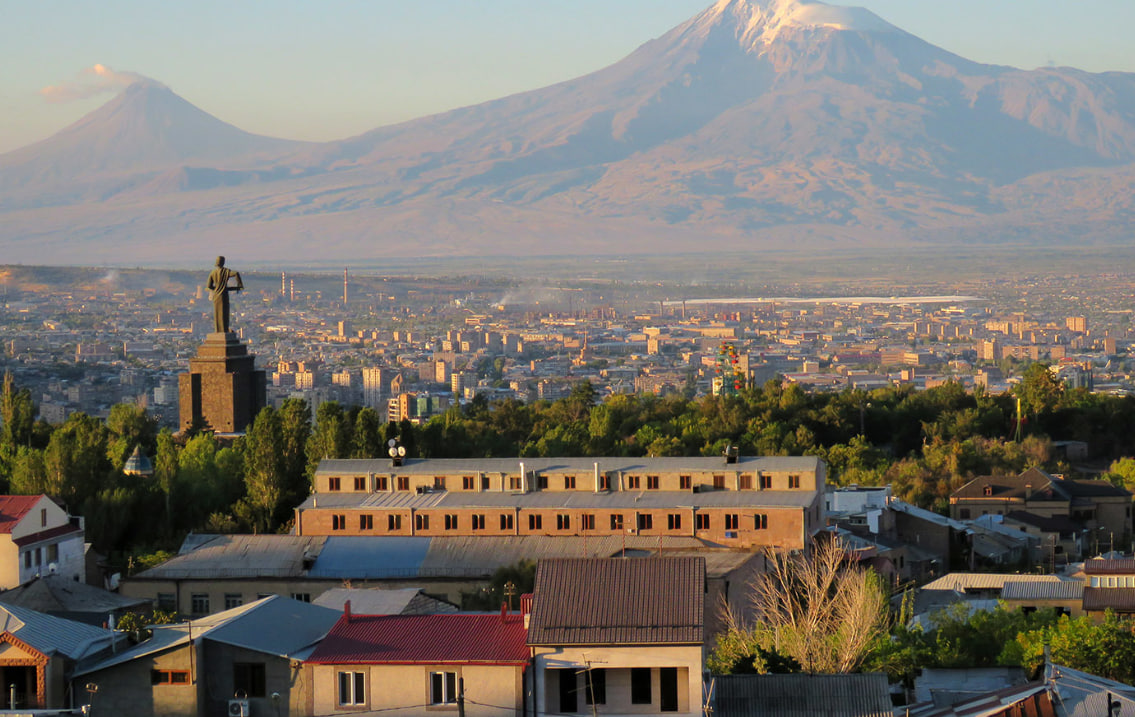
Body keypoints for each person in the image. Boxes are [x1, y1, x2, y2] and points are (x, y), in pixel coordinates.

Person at [207, 256, 243, 333]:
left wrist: (216, 288)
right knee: (224, 313)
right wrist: (239, 285)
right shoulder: (226, 271)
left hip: (216, 296)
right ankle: (224, 330)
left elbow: (209, 286)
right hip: (223, 295)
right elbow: (236, 273)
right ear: (223, 262)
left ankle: (218, 330)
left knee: (217, 313)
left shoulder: (213, 273)